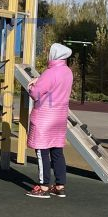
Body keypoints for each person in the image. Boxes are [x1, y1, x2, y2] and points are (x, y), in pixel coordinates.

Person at [26, 42, 74, 198]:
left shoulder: (50, 72)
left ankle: (43, 186)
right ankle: (60, 185)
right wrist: (40, 80)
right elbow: (55, 86)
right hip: (59, 117)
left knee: (42, 151)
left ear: (53, 55)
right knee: (57, 151)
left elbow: (36, 93)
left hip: (44, 117)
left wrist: (31, 86)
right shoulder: (67, 72)